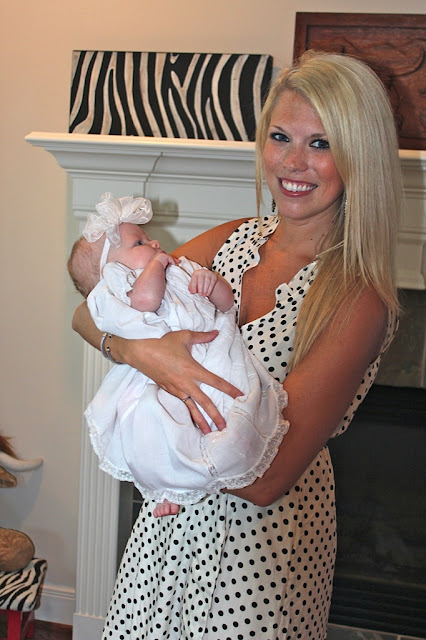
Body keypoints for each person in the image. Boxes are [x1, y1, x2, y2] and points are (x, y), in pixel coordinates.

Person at [72, 50, 402, 639]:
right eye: (280, 137)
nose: (293, 163)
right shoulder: (230, 241)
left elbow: (268, 478)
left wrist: (162, 431)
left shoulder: (355, 297)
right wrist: (142, 354)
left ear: (361, 155)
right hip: (168, 528)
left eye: (321, 144)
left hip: (259, 551)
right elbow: (87, 311)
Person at [68, 193, 288, 517]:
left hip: (211, 351)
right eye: (139, 243)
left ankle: (212, 463)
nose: (155, 243)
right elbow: (145, 301)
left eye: (146, 238)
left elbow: (226, 305)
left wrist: (211, 283)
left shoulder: (180, 269)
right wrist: (157, 266)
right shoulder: (123, 288)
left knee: (227, 409)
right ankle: (168, 485)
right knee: (157, 422)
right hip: (155, 379)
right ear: (112, 271)